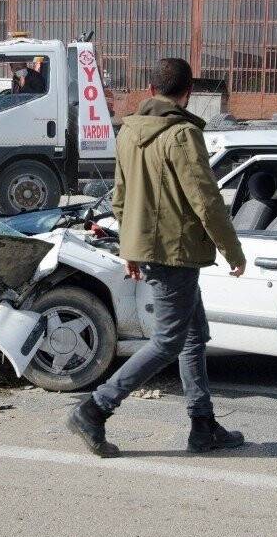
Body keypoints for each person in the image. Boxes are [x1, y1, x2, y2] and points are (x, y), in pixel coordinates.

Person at [67, 58, 247, 457]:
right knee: (168, 341)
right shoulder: (182, 134)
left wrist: (131, 248)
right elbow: (206, 200)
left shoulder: (130, 131)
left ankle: (203, 426)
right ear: (187, 94)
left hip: (153, 250)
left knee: (192, 337)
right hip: (176, 253)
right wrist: (232, 250)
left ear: (150, 91)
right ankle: (94, 409)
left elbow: (121, 198)